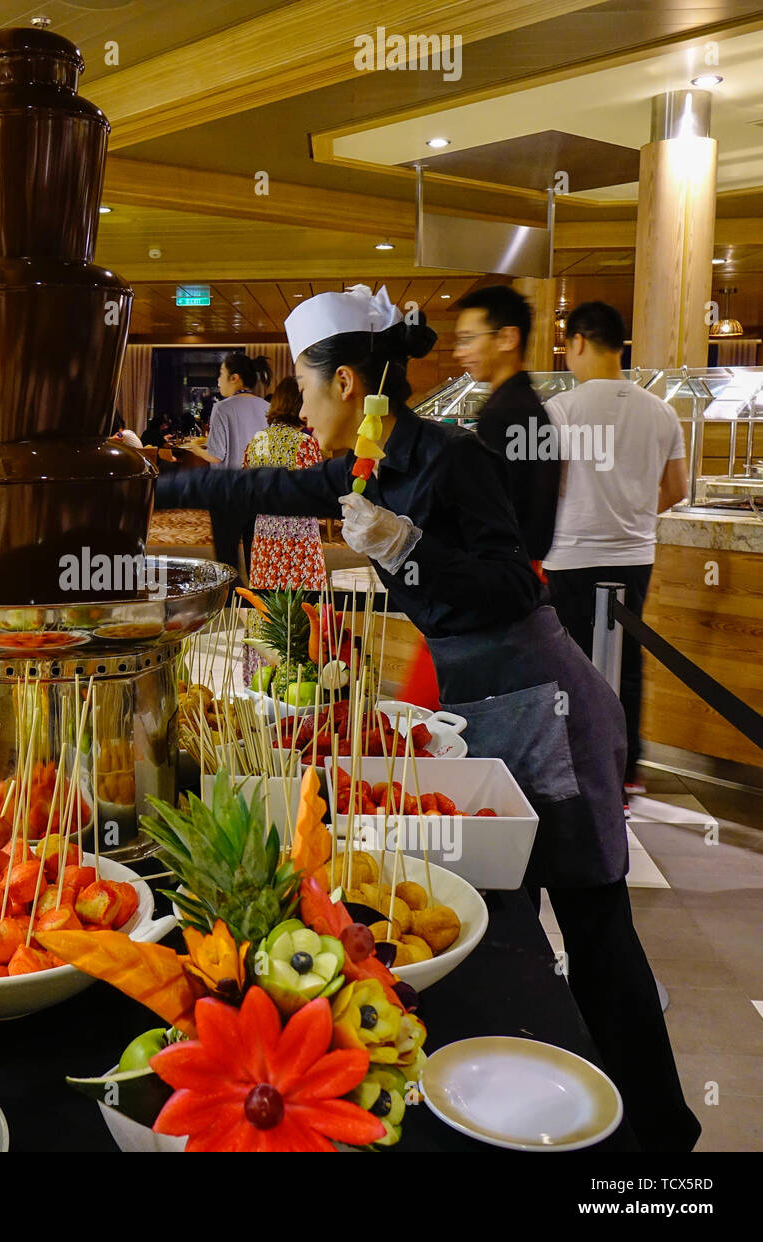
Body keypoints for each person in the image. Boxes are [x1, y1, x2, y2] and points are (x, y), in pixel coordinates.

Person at [155, 283, 700, 1153]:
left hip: (548, 710)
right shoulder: (368, 466)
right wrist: (152, 483)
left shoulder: (453, 459)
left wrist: (410, 547)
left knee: (597, 930)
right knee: (513, 930)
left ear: (345, 385)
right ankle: (535, 1112)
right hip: (487, 710)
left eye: (301, 381)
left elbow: (515, 581)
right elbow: (270, 487)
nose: (294, 400)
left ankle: (665, 1143)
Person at [543, 301, 688, 795]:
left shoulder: (560, 410)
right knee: (626, 662)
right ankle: (625, 772)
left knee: (571, 662)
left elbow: (551, 485)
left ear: (580, 342)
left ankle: (578, 767)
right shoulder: (661, 410)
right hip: (634, 555)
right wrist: (633, 513)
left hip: (571, 554)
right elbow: (678, 487)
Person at [453, 285, 559, 564]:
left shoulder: (502, 413)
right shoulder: (528, 403)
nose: (459, 353)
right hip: (528, 562)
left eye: (468, 339)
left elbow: (493, 510)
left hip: (505, 569)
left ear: (508, 338)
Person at [181, 352, 269, 571]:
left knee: (227, 558)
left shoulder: (222, 408)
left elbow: (216, 455)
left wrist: (195, 449)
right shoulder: (267, 408)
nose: (218, 380)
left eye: (221, 374)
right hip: (259, 488)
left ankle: (230, 600)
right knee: (255, 555)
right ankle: (257, 602)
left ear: (235, 378)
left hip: (227, 490)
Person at [242, 377, 326, 592]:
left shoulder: (257, 440)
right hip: (298, 537)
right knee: (302, 604)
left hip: (264, 533)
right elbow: (316, 490)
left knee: (267, 599)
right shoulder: (304, 443)